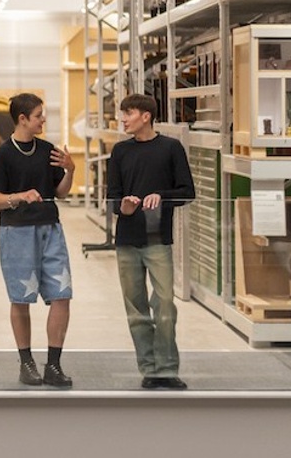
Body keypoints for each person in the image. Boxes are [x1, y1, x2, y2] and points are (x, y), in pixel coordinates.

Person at [0, 93, 76, 387]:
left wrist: (71, 169)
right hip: (16, 232)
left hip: (51, 229)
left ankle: (54, 365)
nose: (43, 120)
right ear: (22, 119)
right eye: (38, 115)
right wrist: (19, 197)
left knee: (62, 295)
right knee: (21, 299)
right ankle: (26, 363)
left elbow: (61, 192)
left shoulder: (48, 150)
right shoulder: (2, 155)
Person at [107, 94, 195, 390]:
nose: (123, 119)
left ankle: (167, 369)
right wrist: (124, 207)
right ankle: (149, 369)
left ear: (146, 116)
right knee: (136, 309)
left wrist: (162, 195)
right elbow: (112, 197)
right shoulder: (119, 152)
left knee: (166, 305)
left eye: (128, 113)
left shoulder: (171, 148)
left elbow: (187, 192)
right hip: (127, 241)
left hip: (159, 240)